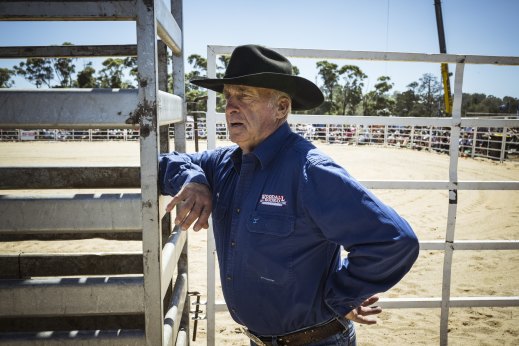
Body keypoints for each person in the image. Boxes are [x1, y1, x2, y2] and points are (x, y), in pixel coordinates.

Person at [159, 44, 419, 346]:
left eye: (244, 95)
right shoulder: (224, 164)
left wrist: (339, 297)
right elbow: (164, 164)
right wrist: (193, 179)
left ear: (282, 107)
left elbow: (395, 240)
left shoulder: (310, 172)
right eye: (228, 95)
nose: (230, 106)